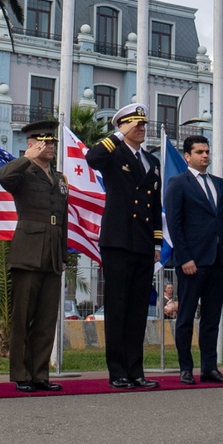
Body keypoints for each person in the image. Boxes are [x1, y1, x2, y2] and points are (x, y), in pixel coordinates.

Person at [87, 103, 163, 390]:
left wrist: (156, 242)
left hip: (143, 242)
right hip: (118, 240)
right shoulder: (113, 153)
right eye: (135, 125)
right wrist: (118, 135)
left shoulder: (152, 163)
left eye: (143, 124)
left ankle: (136, 369)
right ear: (123, 126)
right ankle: (117, 370)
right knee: (117, 308)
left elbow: (155, 206)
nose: (141, 129)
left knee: (138, 309)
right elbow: (92, 157)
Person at [0, 119, 69, 393]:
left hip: (51, 251)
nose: (49, 146)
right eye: (43, 142)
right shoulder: (23, 173)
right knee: (23, 315)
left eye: (51, 142)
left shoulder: (60, 178)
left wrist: (62, 254)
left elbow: (61, 219)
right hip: (28, 250)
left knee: (46, 317)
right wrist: (27, 157)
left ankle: (40, 373)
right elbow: (2, 177)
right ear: (31, 144)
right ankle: (21, 374)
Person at [164, 134, 223, 384]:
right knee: (185, 317)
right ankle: (185, 368)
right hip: (191, 262)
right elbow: (175, 224)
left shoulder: (219, 184)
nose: (205, 155)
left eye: (207, 151)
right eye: (199, 152)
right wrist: (184, 257)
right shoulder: (178, 183)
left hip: (217, 261)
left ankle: (210, 368)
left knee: (211, 318)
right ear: (187, 156)